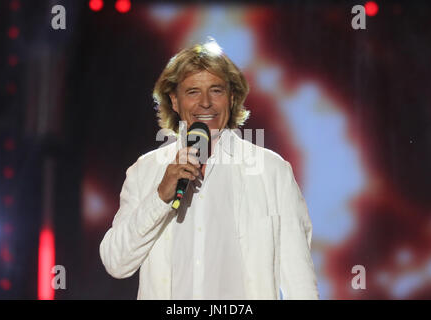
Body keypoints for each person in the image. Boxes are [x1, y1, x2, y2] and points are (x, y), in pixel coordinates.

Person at [99, 39, 319, 300]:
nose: (205, 103)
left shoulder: (273, 172)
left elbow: (300, 282)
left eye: (216, 90)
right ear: (175, 101)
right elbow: (116, 262)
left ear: (232, 98)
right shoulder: (144, 171)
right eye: (192, 92)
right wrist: (159, 198)